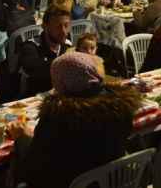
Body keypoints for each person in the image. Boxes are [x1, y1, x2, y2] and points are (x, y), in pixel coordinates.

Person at [8, 51, 141, 188]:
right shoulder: (119, 106)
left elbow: (35, 167)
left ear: (62, 83)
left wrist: (22, 137)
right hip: (111, 182)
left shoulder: (58, 116)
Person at [19, 7, 71, 96]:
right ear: (45, 26)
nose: (63, 31)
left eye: (66, 25)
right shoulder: (31, 47)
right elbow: (35, 70)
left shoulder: (67, 46)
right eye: (58, 26)